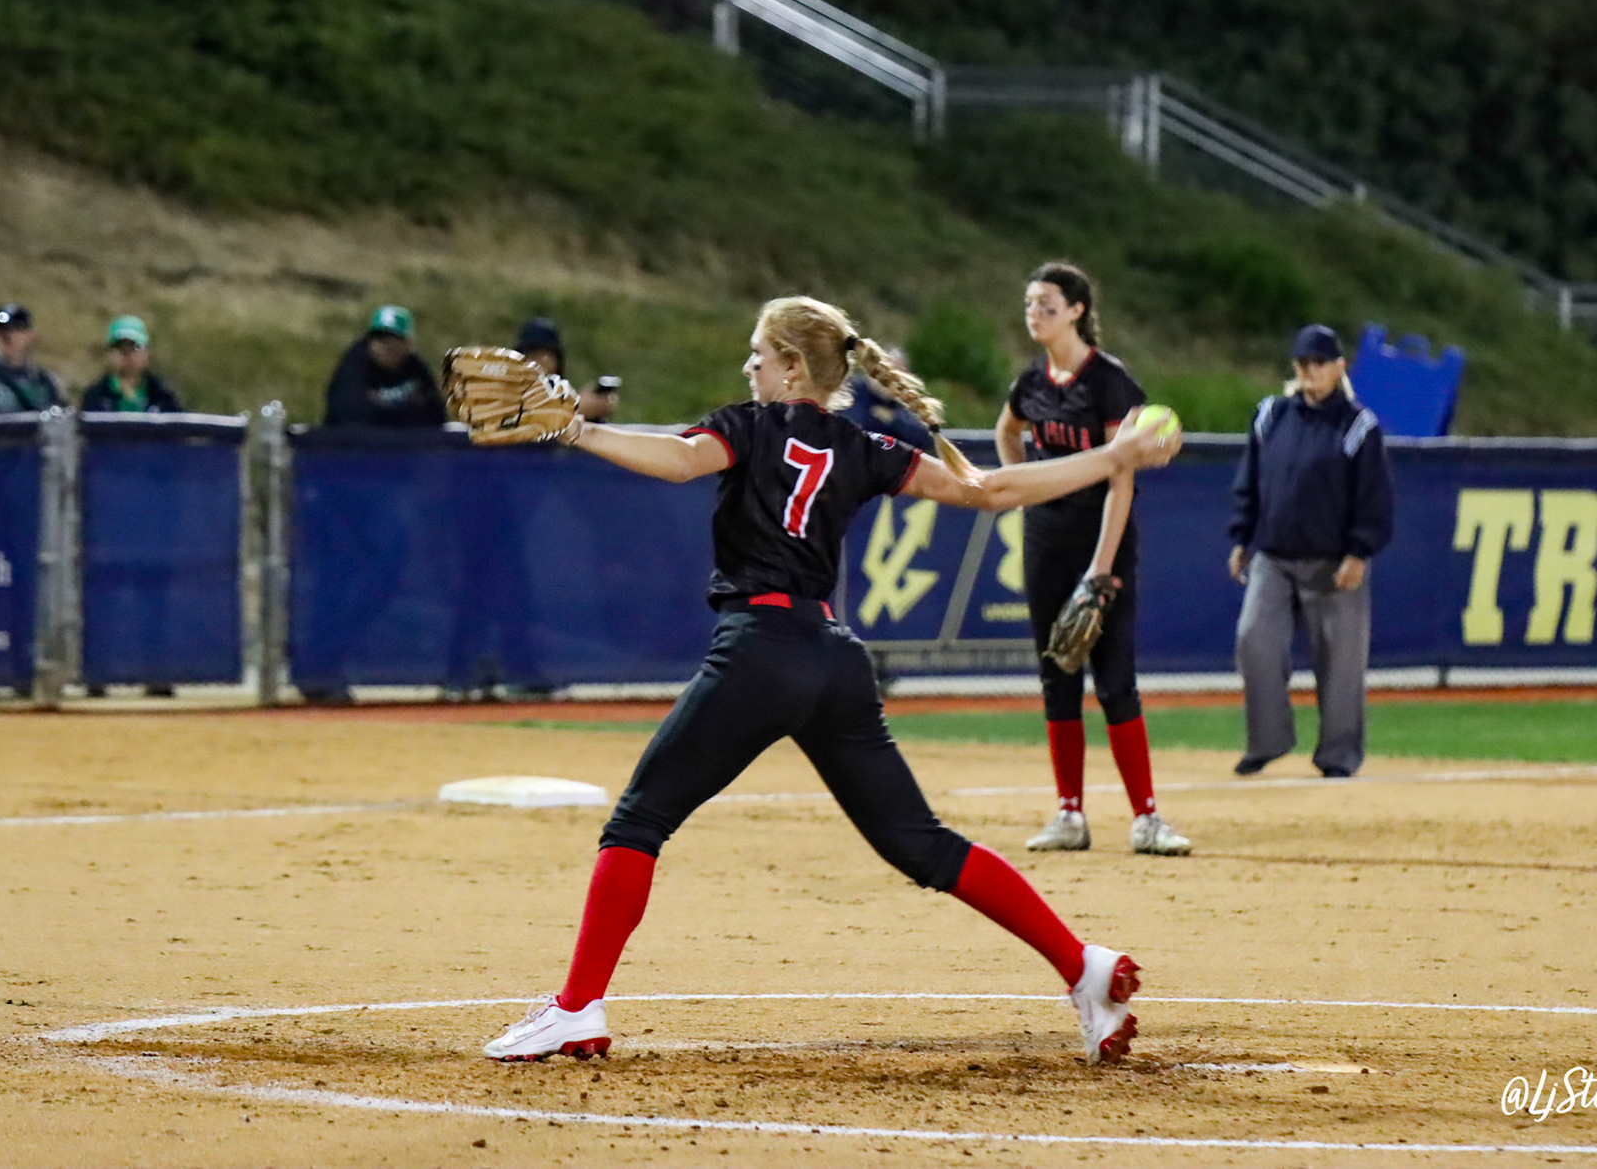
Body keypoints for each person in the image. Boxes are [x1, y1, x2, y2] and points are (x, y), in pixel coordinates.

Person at [482, 295, 1182, 1066]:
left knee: (637, 823)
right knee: (923, 843)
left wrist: (577, 429)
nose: (749, 366)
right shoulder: (862, 444)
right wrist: (1114, 457)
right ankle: (1083, 965)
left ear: (791, 368)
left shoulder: (749, 425)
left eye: (759, 354)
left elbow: (679, 461)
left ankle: (576, 1007)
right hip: (832, 660)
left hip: (759, 650)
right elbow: (991, 491)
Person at [994, 262, 1190, 856]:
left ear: (1077, 310)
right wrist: (1023, 487)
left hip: (1102, 543)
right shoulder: (1031, 382)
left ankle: (1147, 818)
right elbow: (1007, 431)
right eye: (1030, 303)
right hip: (1046, 541)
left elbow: (1120, 481)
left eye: (1047, 304)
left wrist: (1101, 569)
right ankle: (1070, 816)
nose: (1035, 314)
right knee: (1057, 673)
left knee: (1114, 682)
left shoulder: (1109, 382)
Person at [1227, 324, 1395, 779]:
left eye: (1319, 363)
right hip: (1274, 556)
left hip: (1333, 561)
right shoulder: (1271, 416)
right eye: (1302, 363)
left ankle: (1338, 755)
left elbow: (1374, 497)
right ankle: (1267, 741)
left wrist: (1358, 552)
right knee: (1254, 640)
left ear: (1339, 368)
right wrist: (1241, 537)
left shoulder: (1358, 426)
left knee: (1341, 665)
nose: (1309, 370)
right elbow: (1250, 480)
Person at [322, 305, 443, 427]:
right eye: (380, 339)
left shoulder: (416, 368)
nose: (386, 347)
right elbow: (351, 414)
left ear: (408, 344)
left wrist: (381, 410)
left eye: (395, 339)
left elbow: (436, 413)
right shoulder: (352, 367)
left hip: (403, 438)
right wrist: (409, 409)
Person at [0, 304, 66, 419]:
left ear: (30, 335)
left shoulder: (45, 381)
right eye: (1, 331)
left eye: (16, 329)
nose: (6, 336)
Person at [79, 316, 185, 414]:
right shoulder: (95, 397)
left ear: (147, 353)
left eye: (136, 347)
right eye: (119, 347)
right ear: (109, 353)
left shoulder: (163, 396)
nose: (127, 354)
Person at [842, 344, 935, 449]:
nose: (889, 381)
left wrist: (892, 420)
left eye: (897, 375)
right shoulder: (850, 393)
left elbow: (925, 438)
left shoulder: (904, 403)